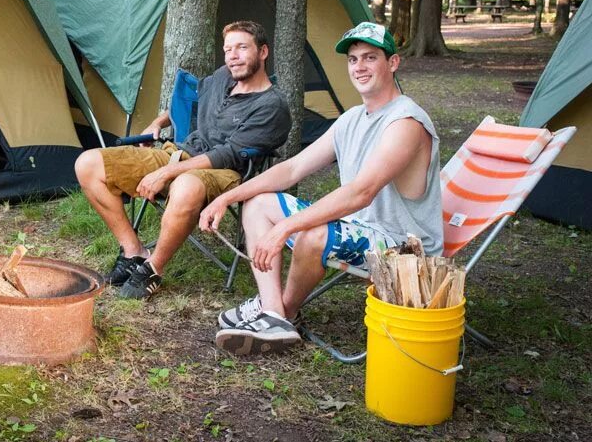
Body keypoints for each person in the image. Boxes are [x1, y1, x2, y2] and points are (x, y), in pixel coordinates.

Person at [200, 22, 443, 355]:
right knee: (257, 203)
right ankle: (274, 313)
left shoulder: (406, 123)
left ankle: (280, 315)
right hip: (363, 228)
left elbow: (362, 192)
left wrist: (288, 225)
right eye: (353, 59)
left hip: (404, 247)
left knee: (314, 235)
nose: (359, 67)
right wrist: (228, 196)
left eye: (370, 58)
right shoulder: (353, 118)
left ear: (393, 63)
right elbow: (293, 168)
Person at [74, 21, 291, 300]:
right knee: (88, 163)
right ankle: (133, 252)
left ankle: (153, 269)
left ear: (263, 52)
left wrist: (167, 173)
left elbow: (227, 154)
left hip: (225, 172)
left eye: (241, 48)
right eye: (228, 50)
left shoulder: (271, 106)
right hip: (178, 153)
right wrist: (159, 120)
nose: (233, 56)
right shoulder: (225, 75)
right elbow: (193, 96)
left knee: (186, 184)